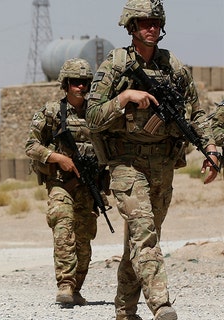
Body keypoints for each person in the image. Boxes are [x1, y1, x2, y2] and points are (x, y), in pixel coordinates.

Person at [86, 1, 219, 319]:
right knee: (143, 232)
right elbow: (92, 116)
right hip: (126, 163)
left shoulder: (172, 65)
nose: (152, 28)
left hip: (162, 164)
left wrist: (211, 148)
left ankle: (124, 310)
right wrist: (123, 98)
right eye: (144, 22)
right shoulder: (117, 64)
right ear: (131, 26)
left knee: (141, 239)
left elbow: (196, 114)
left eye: (156, 22)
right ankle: (161, 304)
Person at [25, 58, 100, 307]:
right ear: (66, 84)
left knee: (85, 238)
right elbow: (31, 145)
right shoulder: (51, 112)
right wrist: (56, 157)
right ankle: (65, 285)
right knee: (63, 226)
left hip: (89, 186)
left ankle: (77, 287)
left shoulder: (95, 113)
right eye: (76, 82)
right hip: (60, 183)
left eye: (85, 82)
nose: (81, 87)